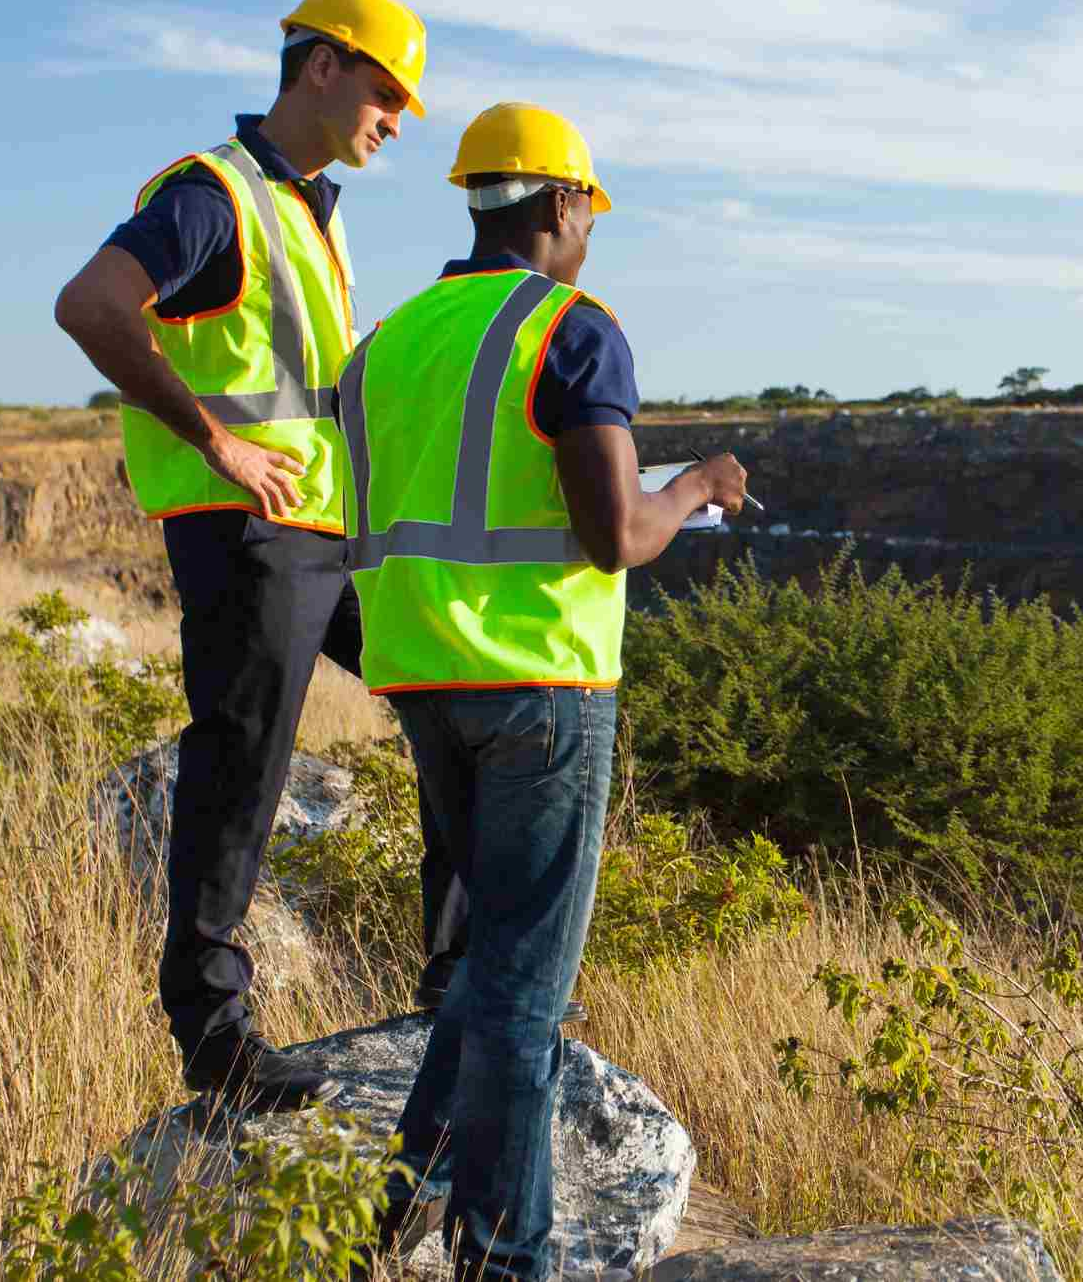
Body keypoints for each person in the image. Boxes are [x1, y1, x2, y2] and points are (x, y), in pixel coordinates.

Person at [335, 101, 746, 1280]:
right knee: (522, 993)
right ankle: (506, 1261)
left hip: (421, 678)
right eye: (589, 213)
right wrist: (698, 485)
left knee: (483, 970)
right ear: (563, 205)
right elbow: (615, 533)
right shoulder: (573, 329)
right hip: (543, 687)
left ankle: (382, 1218)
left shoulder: (392, 342)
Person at [53, 0, 445, 1111]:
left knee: (457, 696)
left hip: (330, 527)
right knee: (241, 762)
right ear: (321, 68)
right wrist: (215, 442)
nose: (398, 118)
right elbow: (89, 305)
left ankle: (460, 979)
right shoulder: (210, 195)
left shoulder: (309, 208)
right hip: (251, 531)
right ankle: (216, 1041)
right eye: (386, 91)